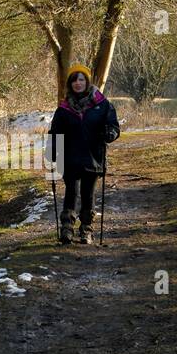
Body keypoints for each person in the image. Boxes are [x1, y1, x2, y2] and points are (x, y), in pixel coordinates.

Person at [48, 63, 119, 245]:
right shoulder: (63, 109)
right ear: (70, 84)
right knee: (72, 192)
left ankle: (86, 230)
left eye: (81, 79)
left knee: (88, 193)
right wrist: (51, 152)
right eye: (74, 80)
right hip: (69, 157)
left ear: (87, 82)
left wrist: (110, 133)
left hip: (93, 156)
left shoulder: (102, 105)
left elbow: (113, 125)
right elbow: (55, 133)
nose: (77, 83)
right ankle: (67, 229)